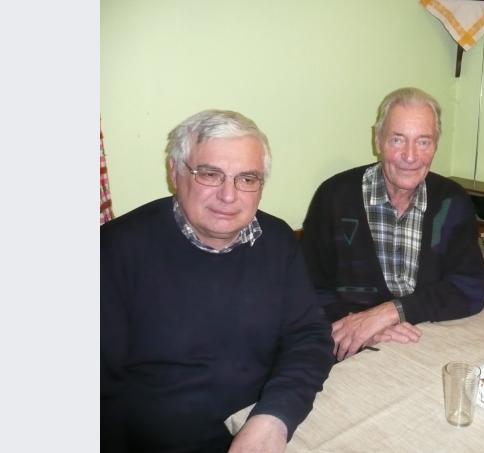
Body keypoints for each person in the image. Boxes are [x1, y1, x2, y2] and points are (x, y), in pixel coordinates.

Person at [101, 110, 334, 452]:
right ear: (175, 172)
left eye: (247, 178)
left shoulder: (278, 241)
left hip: (265, 426)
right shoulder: (116, 249)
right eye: (210, 174)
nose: (229, 195)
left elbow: (309, 338)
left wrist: (275, 417)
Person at [301, 87, 484, 361]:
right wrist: (361, 325)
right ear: (378, 140)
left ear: (436, 145)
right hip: (352, 346)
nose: (410, 156)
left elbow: (470, 288)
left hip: (427, 340)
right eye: (397, 140)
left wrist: (391, 312)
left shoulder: (451, 200)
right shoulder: (334, 197)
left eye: (423, 142)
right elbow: (307, 288)